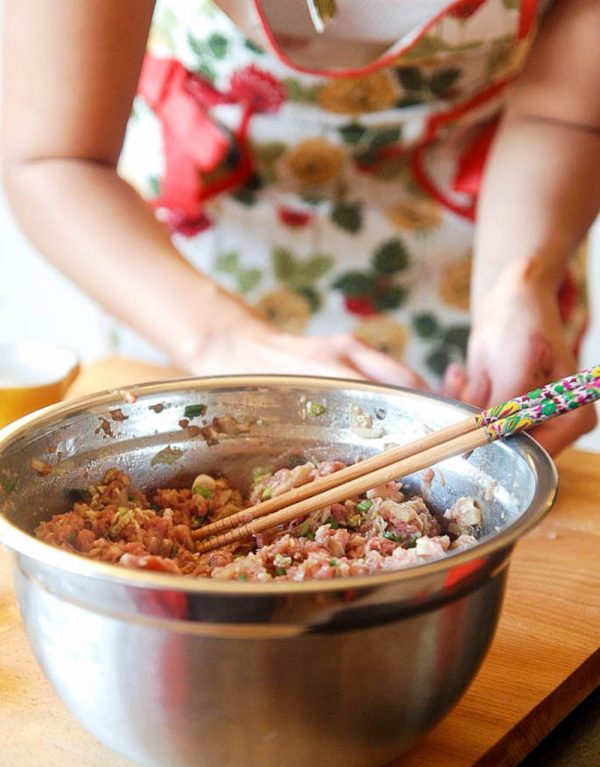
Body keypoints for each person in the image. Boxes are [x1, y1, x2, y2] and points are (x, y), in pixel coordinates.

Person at [3, 0, 599, 453]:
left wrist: (523, 278)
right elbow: (55, 158)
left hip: (478, 260)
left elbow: (561, 114)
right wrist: (219, 340)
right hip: (180, 285)